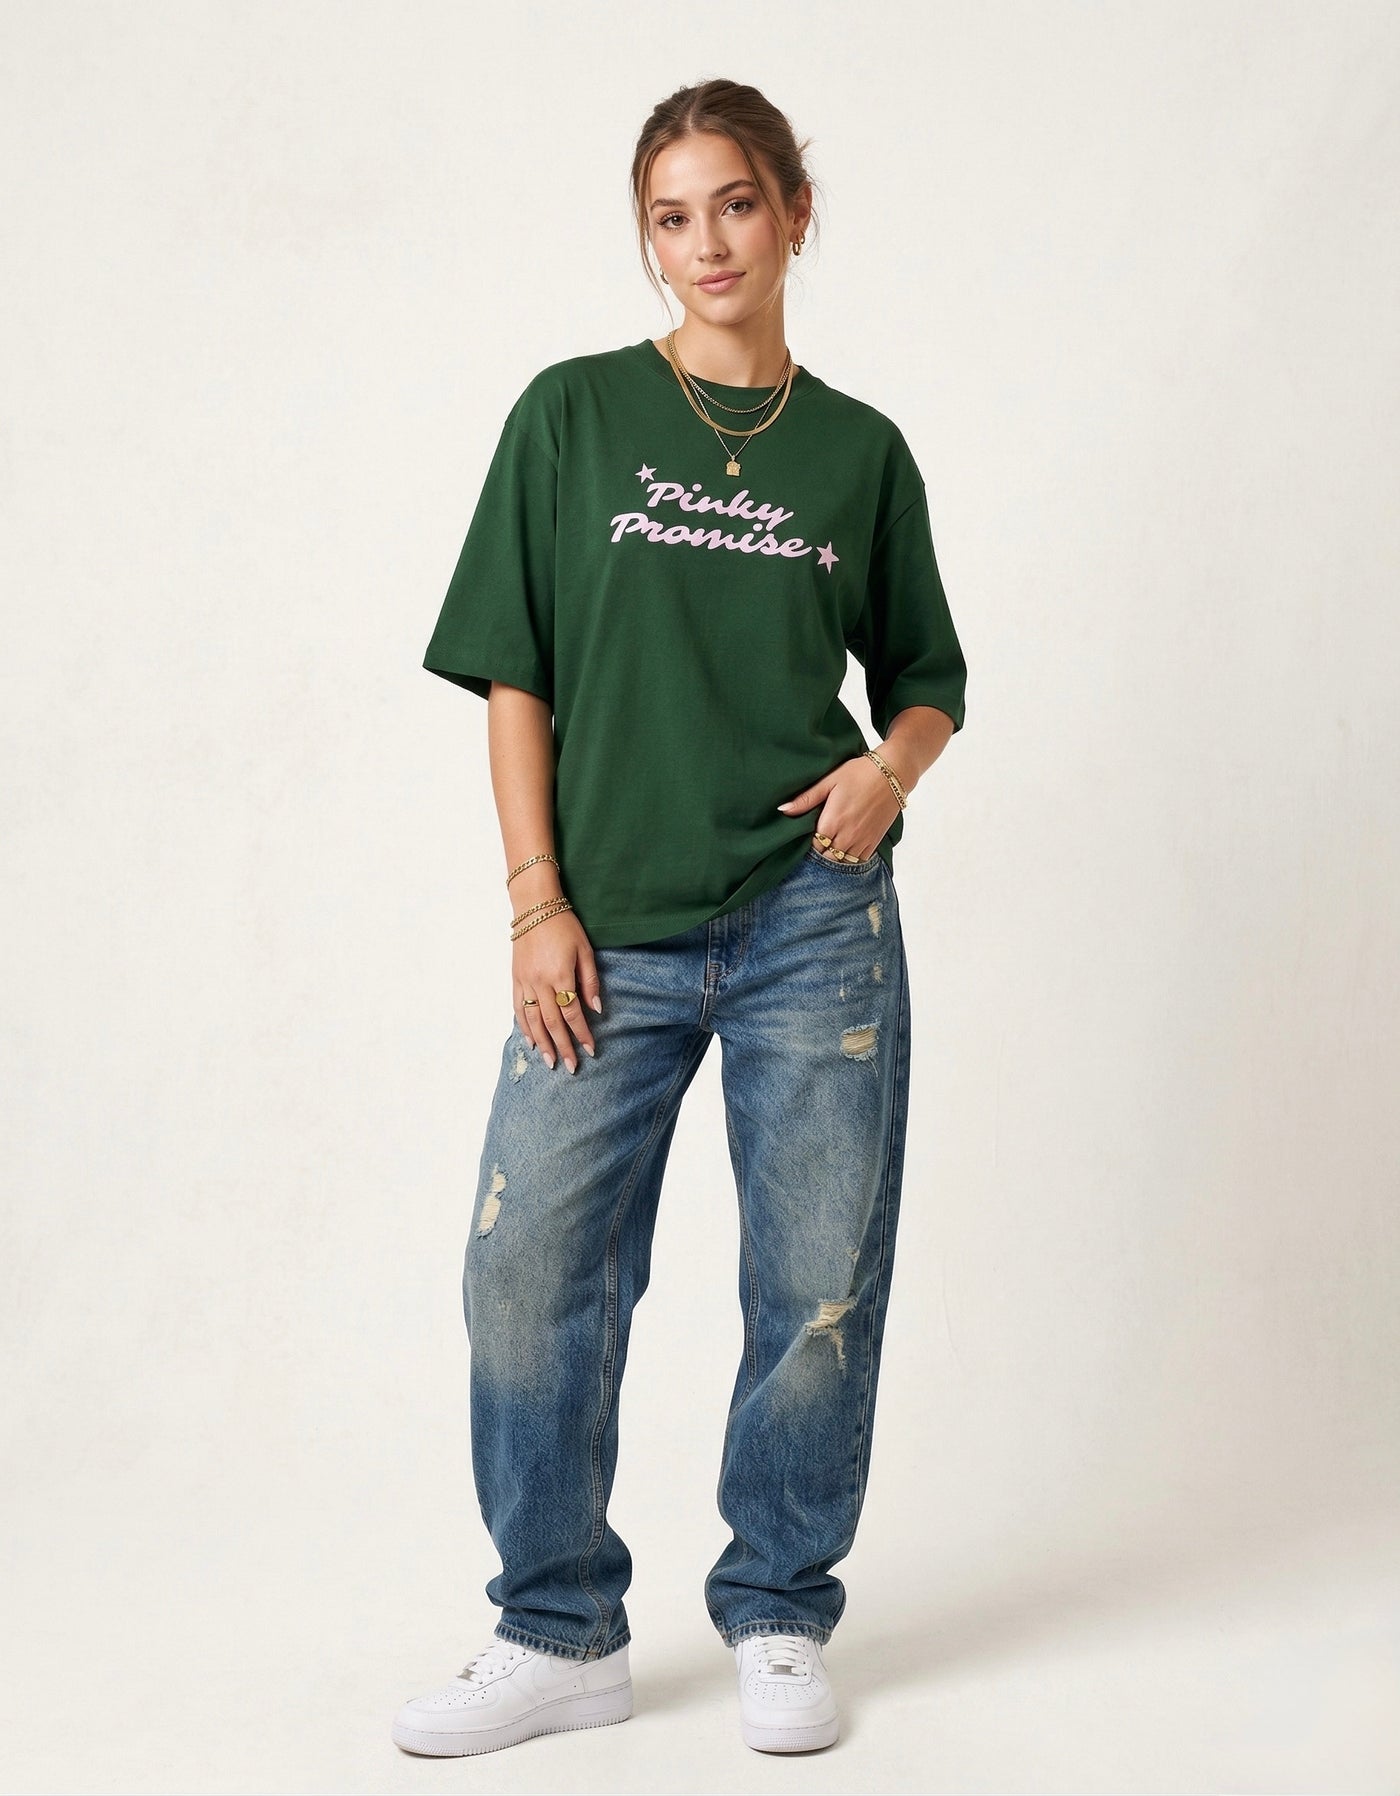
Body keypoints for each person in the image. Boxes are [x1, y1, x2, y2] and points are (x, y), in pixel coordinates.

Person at [391, 76, 968, 1760]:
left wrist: (890, 772)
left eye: (735, 202)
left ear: (793, 212)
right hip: (605, 926)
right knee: (529, 1273)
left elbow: (927, 677)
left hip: (812, 917)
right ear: (647, 239)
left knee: (814, 1283)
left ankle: (780, 1610)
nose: (706, 242)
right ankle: (557, 1629)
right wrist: (535, 901)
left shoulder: (859, 452)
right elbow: (514, 672)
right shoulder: (569, 416)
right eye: (671, 215)